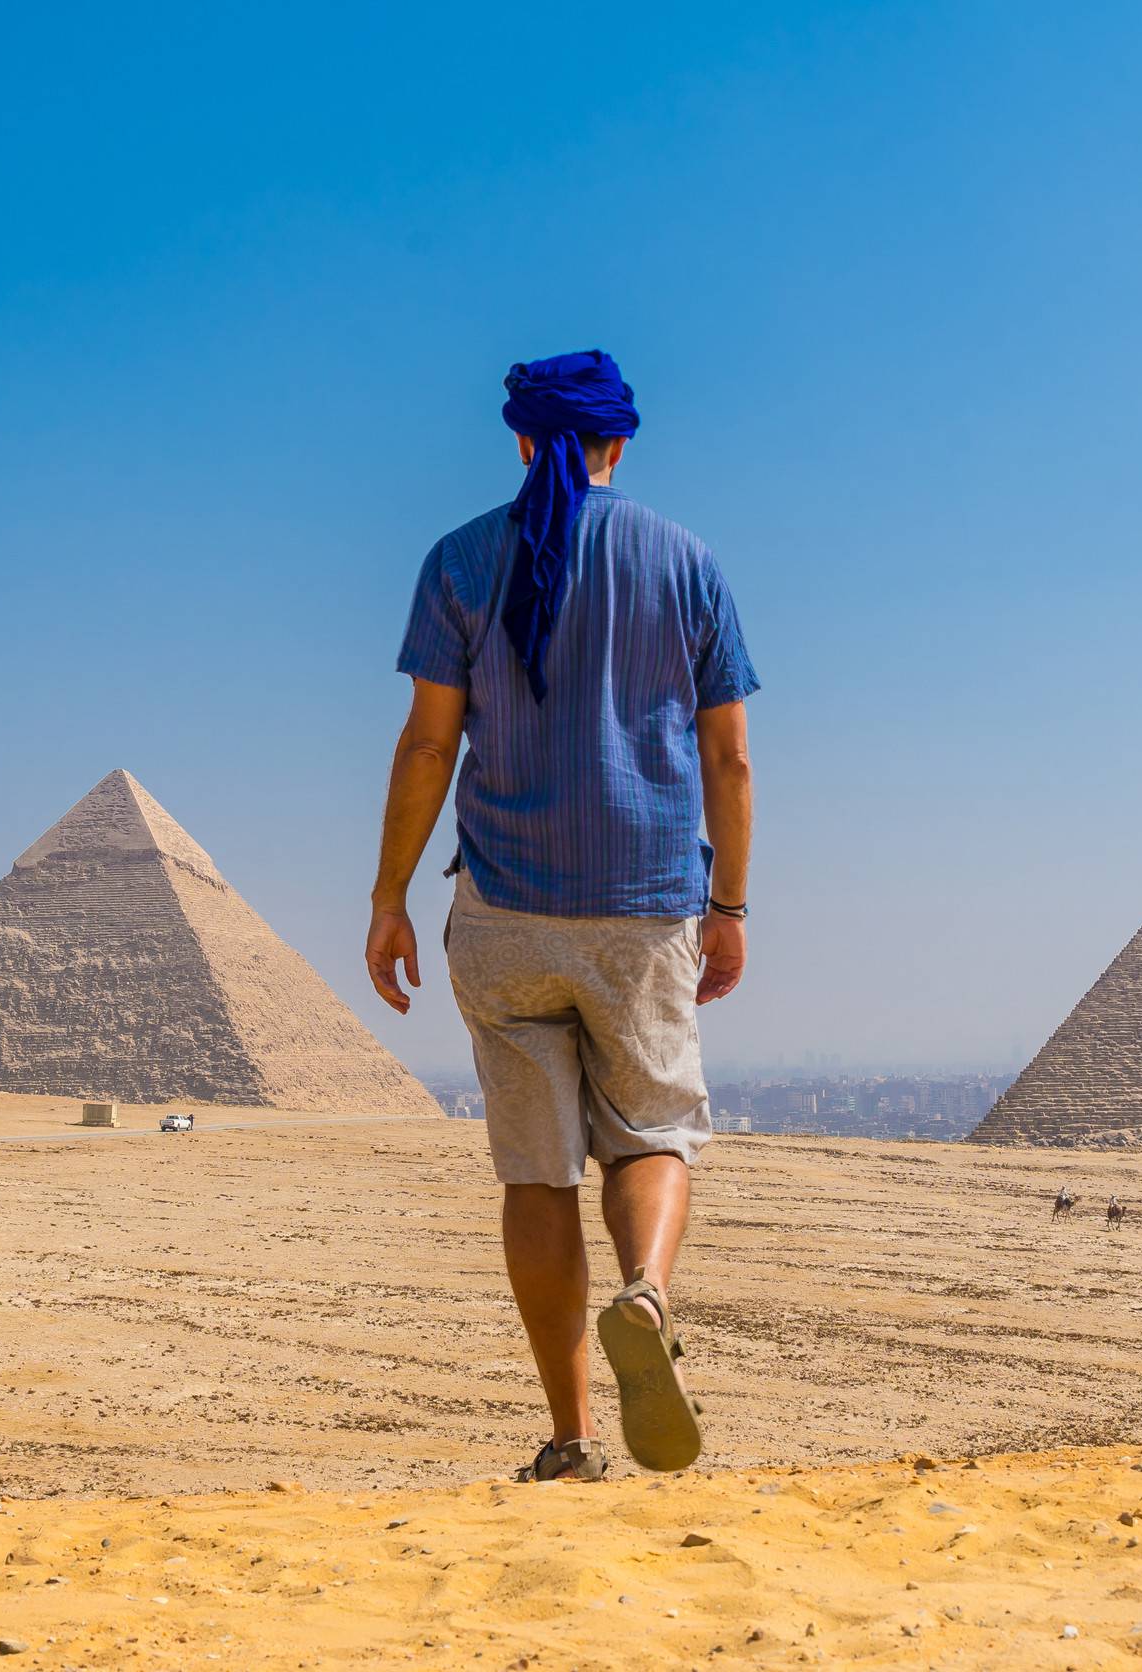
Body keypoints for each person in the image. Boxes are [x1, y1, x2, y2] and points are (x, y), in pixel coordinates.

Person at [367, 350, 757, 1484]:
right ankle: (647, 1295)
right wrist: (729, 905)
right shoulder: (686, 561)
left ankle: (572, 1438)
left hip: (503, 910)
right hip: (644, 905)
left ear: (522, 440)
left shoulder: (459, 560)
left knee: (537, 1176)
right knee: (651, 1134)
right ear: (617, 442)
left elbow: (428, 744)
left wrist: (389, 896)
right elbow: (730, 759)